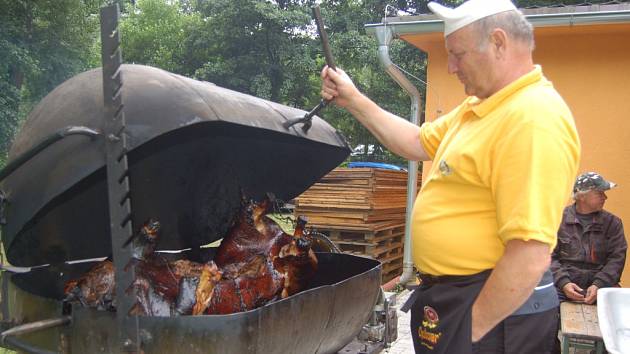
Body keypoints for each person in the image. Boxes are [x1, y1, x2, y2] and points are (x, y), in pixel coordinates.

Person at [320, 0, 581, 353]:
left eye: (459, 54)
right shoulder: (480, 108)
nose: (452, 66)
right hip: (453, 300)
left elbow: (529, 255)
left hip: (492, 313)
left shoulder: (531, 119)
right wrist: (352, 99)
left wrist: (469, 331)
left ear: (499, 43)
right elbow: (415, 141)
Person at [551, 172, 627, 304]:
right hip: (561, 288)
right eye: (599, 193)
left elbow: (617, 259)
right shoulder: (558, 220)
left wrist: (599, 284)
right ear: (582, 196)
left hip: (601, 287)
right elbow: (548, 256)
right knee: (544, 306)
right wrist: (564, 283)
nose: (605, 197)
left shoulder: (613, 223)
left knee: (618, 310)